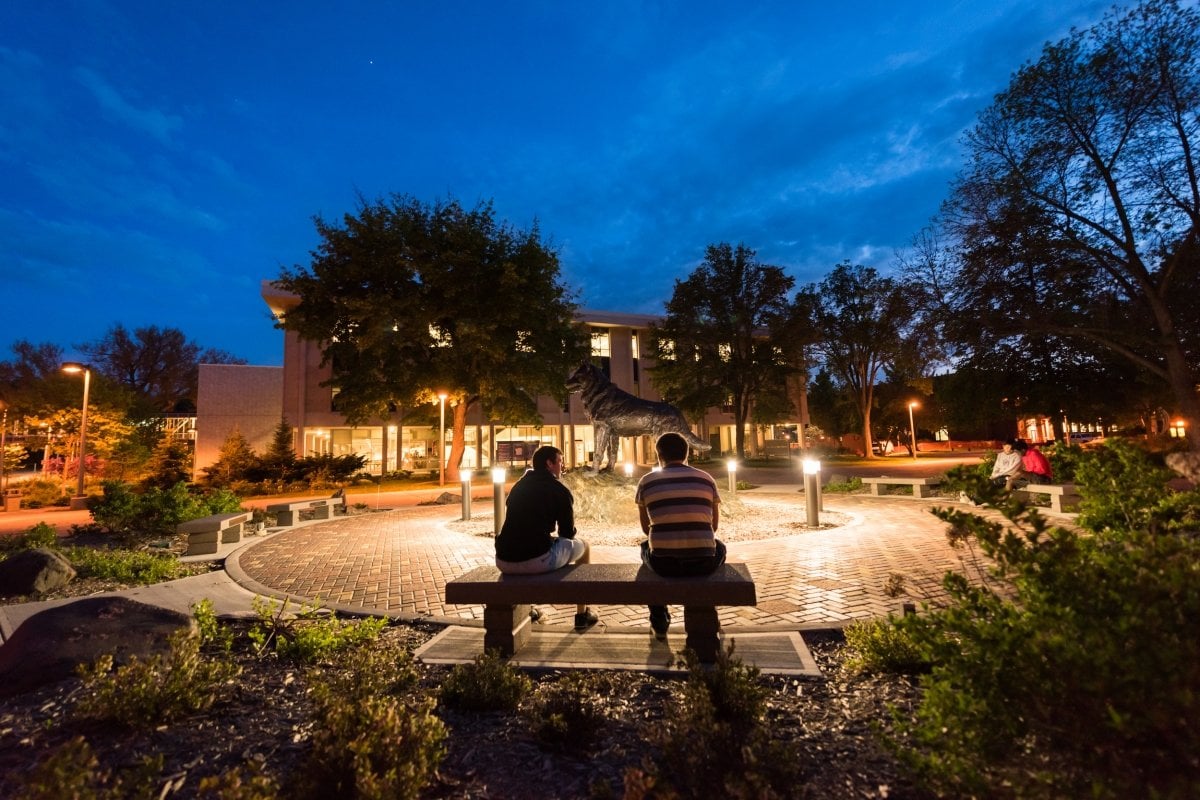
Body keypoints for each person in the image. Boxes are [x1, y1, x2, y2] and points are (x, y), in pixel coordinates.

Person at [634, 432, 727, 638]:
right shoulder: (706, 479)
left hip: (664, 563)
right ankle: (708, 615)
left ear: (659, 456)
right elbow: (714, 526)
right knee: (719, 547)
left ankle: (659, 621)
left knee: (644, 548)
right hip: (703, 561)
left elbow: (645, 528)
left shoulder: (647, 481)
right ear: (687, 454)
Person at [494, 445, 597, 630]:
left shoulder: (518, 486)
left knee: (530, 544)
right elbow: (566, 534)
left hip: (503, 558)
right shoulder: (559, 490)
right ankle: (583, 614)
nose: (562, 466)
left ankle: (530, 609)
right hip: (536, 560)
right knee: (585, 547)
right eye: (560, 461)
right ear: (549, 464)